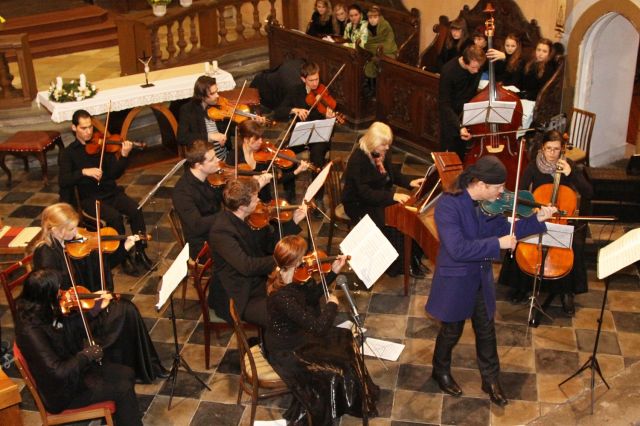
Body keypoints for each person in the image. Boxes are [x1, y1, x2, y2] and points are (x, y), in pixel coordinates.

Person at [425, 156, 557, 407]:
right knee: (451, 331)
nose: (502, 193)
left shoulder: (489, 204)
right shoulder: (448, 205)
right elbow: (458, 249)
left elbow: (507, 229)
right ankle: (439, 370)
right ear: (482, 184)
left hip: (480, 277)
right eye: (498, 188)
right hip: (456, 278)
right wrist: (497, 244)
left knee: (486, 329)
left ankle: (491, 379)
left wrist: (537, 220)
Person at [31, 203, 168, 383]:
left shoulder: (67, 243)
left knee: (128, 310)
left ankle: (146, 367)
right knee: (124, 311)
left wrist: (123, 248)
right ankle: (132, 369)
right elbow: (57, 298)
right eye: (71, 229)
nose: (77, 233)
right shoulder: (46, 255)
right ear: (55, 229)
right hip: (71, 315)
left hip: (86, 301)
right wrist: (94, 301)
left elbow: (98, 267)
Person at [264, 235, 379, 425]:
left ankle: (353, 398)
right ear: (294, 262)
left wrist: (332, 273)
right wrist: (332, 305)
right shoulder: (283, 297)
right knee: (337, 363)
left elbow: (310, 297)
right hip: (288, 351)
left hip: (298, 337)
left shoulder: (289, 279)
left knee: (344, 337)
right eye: (303, 257)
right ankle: (345, 401)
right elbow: (319, 328)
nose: (307, 259)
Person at [14, 270, 143, 426]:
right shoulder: (31, 331)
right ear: (45, 294)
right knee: (123, 389)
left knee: (127, 373)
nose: (62, 293)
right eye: (57, 291)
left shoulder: (41, 309)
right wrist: (86, 355)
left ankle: (122, 419)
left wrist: (95, 308)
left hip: (74, 372)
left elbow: (67, 327)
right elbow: (58, 371)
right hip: (62, 392)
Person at [499, 130, 593, 317]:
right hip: (538, 215)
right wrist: (534, 210)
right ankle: (522, 285)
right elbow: (522, 193)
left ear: (562, 149)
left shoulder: (569, 166)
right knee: (521, 237)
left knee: (575, 245)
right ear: (543, 148)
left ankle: (567, 292)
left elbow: (589, 193)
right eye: (549, 148)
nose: (552, 153)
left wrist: (571, 173)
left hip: (562, 219)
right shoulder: (534, 167)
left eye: (556, 149)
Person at [58, 109, 152, 276]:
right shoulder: (69, 153)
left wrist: (123, 156)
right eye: (83, 128)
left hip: (110, 192)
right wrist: (83, 172)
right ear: (74, 128)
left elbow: (114, 174)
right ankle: (121, 257)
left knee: (136, 209)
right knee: (114, 218)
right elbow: (63, 180)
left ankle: (140, 250)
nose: (88, 132)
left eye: (90, 128)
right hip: (89, 198)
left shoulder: (102, 145)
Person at [207, 178, 307, 327]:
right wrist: (283, 258)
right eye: (255, 198)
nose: (259, 200)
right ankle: (274, 348)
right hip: (240, 294)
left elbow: (269, 245)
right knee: (283, 319)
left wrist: (293, 223)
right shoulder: (221, 232)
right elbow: (247, 266)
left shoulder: (250, 217)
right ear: (242, 206)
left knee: (301, 298)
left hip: (258, 281)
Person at [341, 122, 426, 277]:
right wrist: (392, 196)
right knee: (390, 222)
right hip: (358, 203)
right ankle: (398, 266)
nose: (387, 148)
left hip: (377, 195)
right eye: (384, 144)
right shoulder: (358, 159)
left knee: (406, 216)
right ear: (373, 142)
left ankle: (412, 258)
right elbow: (363, 192)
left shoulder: (380, 152)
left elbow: (390, 172)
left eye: (388, 144)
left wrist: (408, 182)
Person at [274, 61, 335, 210]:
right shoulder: (295, 91)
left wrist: (329, 119)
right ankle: (290, 191)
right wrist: (294, 110)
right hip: (301, 135)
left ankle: (318, 197)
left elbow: (331, 125)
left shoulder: (323, 90)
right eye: (311, 80)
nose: (315, 84)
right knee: (286, 154)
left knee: (317, 159)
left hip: (319, 135)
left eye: (317, 79)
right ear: (303, 79)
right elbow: (278, 112)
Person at [228, 119, 307, 203]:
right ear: (246, 139)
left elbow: (277, 179)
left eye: (261, 138)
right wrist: (254, 183)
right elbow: (231, 190)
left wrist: (297, 171)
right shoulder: (234, 157)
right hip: (243, 202)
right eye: (257, 139)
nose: (261, 142)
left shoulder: (264, 155)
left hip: (265, 200)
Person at [171, 139, 225, 259]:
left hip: (218, 229)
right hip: (202, 244)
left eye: (216, 156)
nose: (218, 160)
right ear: (198, 165)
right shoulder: (182, 193)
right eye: (212, 159)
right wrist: (226, 215)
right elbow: (197, 225)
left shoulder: (211, 177)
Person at [438, 45, 486, 161]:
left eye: (479, 68)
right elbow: (444, 104)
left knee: (463, 155)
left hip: (468, 116)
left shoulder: (476, 66)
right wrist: (459, 126)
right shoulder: (448, 71)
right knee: (449, 157)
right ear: (465, 62)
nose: (476, 71)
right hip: (451, 117)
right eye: (474, 67)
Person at [177, 75, 233, 160]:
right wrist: (209, 136)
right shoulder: (188, 110)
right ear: (201, 96)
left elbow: (232, 129)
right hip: (204, 161)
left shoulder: (220, 106)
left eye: (217, 91)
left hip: (224, 157)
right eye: (212, 93)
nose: (217, 96)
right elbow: (182, 137)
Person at [363, 6, 397, 85]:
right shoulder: (367, 27)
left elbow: (389, 43)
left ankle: (379, 88)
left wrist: (371, 46)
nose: (372, 20)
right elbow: (368, 42)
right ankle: (372, 87)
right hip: (374, 51)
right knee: (368, 61)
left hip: (389, 51)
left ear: (379, 17)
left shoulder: (385, 25)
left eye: (375, 17)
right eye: (370, 17)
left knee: (378, 62)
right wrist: (370, 46)